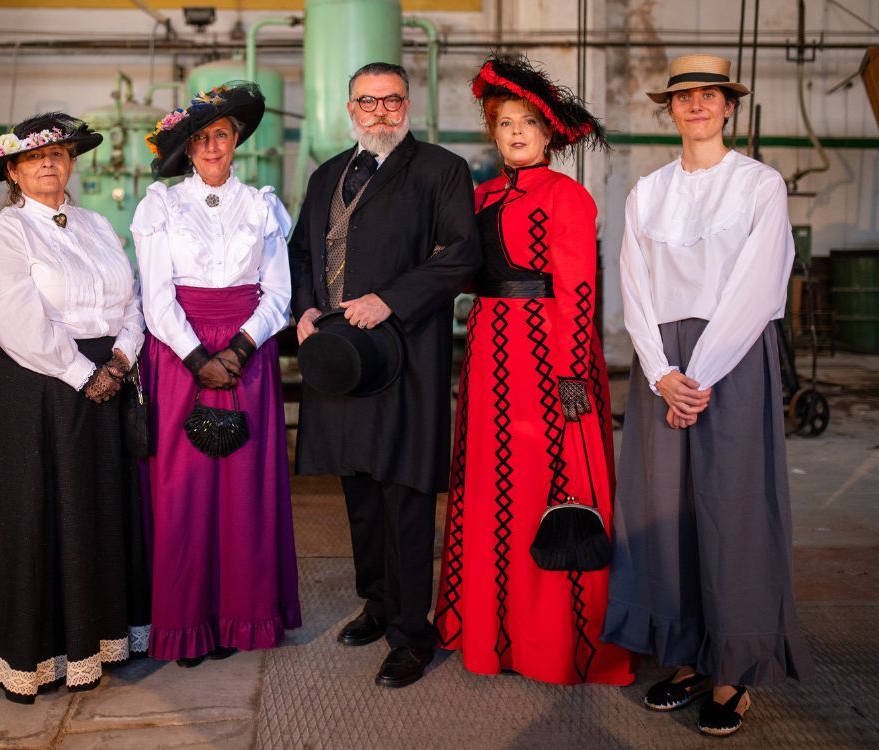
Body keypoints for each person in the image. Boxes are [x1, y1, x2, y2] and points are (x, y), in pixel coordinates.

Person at [602, 54, 814, 736]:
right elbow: (633, 285)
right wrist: (663, 372)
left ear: (728, 106)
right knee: (664, 510)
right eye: (684, 96)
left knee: (733, 509)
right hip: (663, 361)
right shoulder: (648, 191)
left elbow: (759, 286)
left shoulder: (758, 184)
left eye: (709, 95)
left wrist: (703, 375)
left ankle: (734, 671)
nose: (696, 105)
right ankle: (686, 653)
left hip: (730, 357)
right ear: (670, 109)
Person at [0, 113, 148, 703]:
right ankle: (30, 652)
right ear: (13, 171)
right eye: (35, 157)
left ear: (72, 163)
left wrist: (120, 360)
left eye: (61, 154)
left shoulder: (97, 225)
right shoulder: (8, 231)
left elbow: (131, 298)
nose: (50, 163)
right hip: (32, 388)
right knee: (35, 514)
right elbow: (11, 315)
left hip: (103, 382)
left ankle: (95, 639)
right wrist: (80, 373)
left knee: (92, 510)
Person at [431, 54, 635, 687]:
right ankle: (491, 633)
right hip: (489, 346)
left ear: (550, 134)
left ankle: (551, 641)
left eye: (527, 123)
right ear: (492, 134)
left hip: (549, 356)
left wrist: (572, 381)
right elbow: (459, 272)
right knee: (492, 483)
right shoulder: (480, 194)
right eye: (504, 123)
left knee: (551, 481)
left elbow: (578, 290)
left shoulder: (568, 196)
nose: (516, 132)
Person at [289, 62, 480, 688]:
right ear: (350, 110)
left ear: (408, 106)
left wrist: (391, 300)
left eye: (391, 101)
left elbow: (461, 255)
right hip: (339, 359)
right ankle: (375, 603)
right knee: (360, 493)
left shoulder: (441, 171)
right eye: (367, 102)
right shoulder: (324, 176)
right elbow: (299, 254)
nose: (379, 112)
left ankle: (410, 633)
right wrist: (305, 309)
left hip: (403, 357)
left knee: (403, 495)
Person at [132, 82, 301, 667]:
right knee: (184, 490)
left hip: (248, 356)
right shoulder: (160, 205)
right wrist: (199, 359)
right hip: (181, 358)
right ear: (187, 147)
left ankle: (241, 617)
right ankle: (184, 624)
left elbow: (279, 291)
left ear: (237, 142)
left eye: (221, 136)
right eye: (201, 138)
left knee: (245, 490)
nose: (211, 147)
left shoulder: (262, 205)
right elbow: (154, 298)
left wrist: (243, 347)